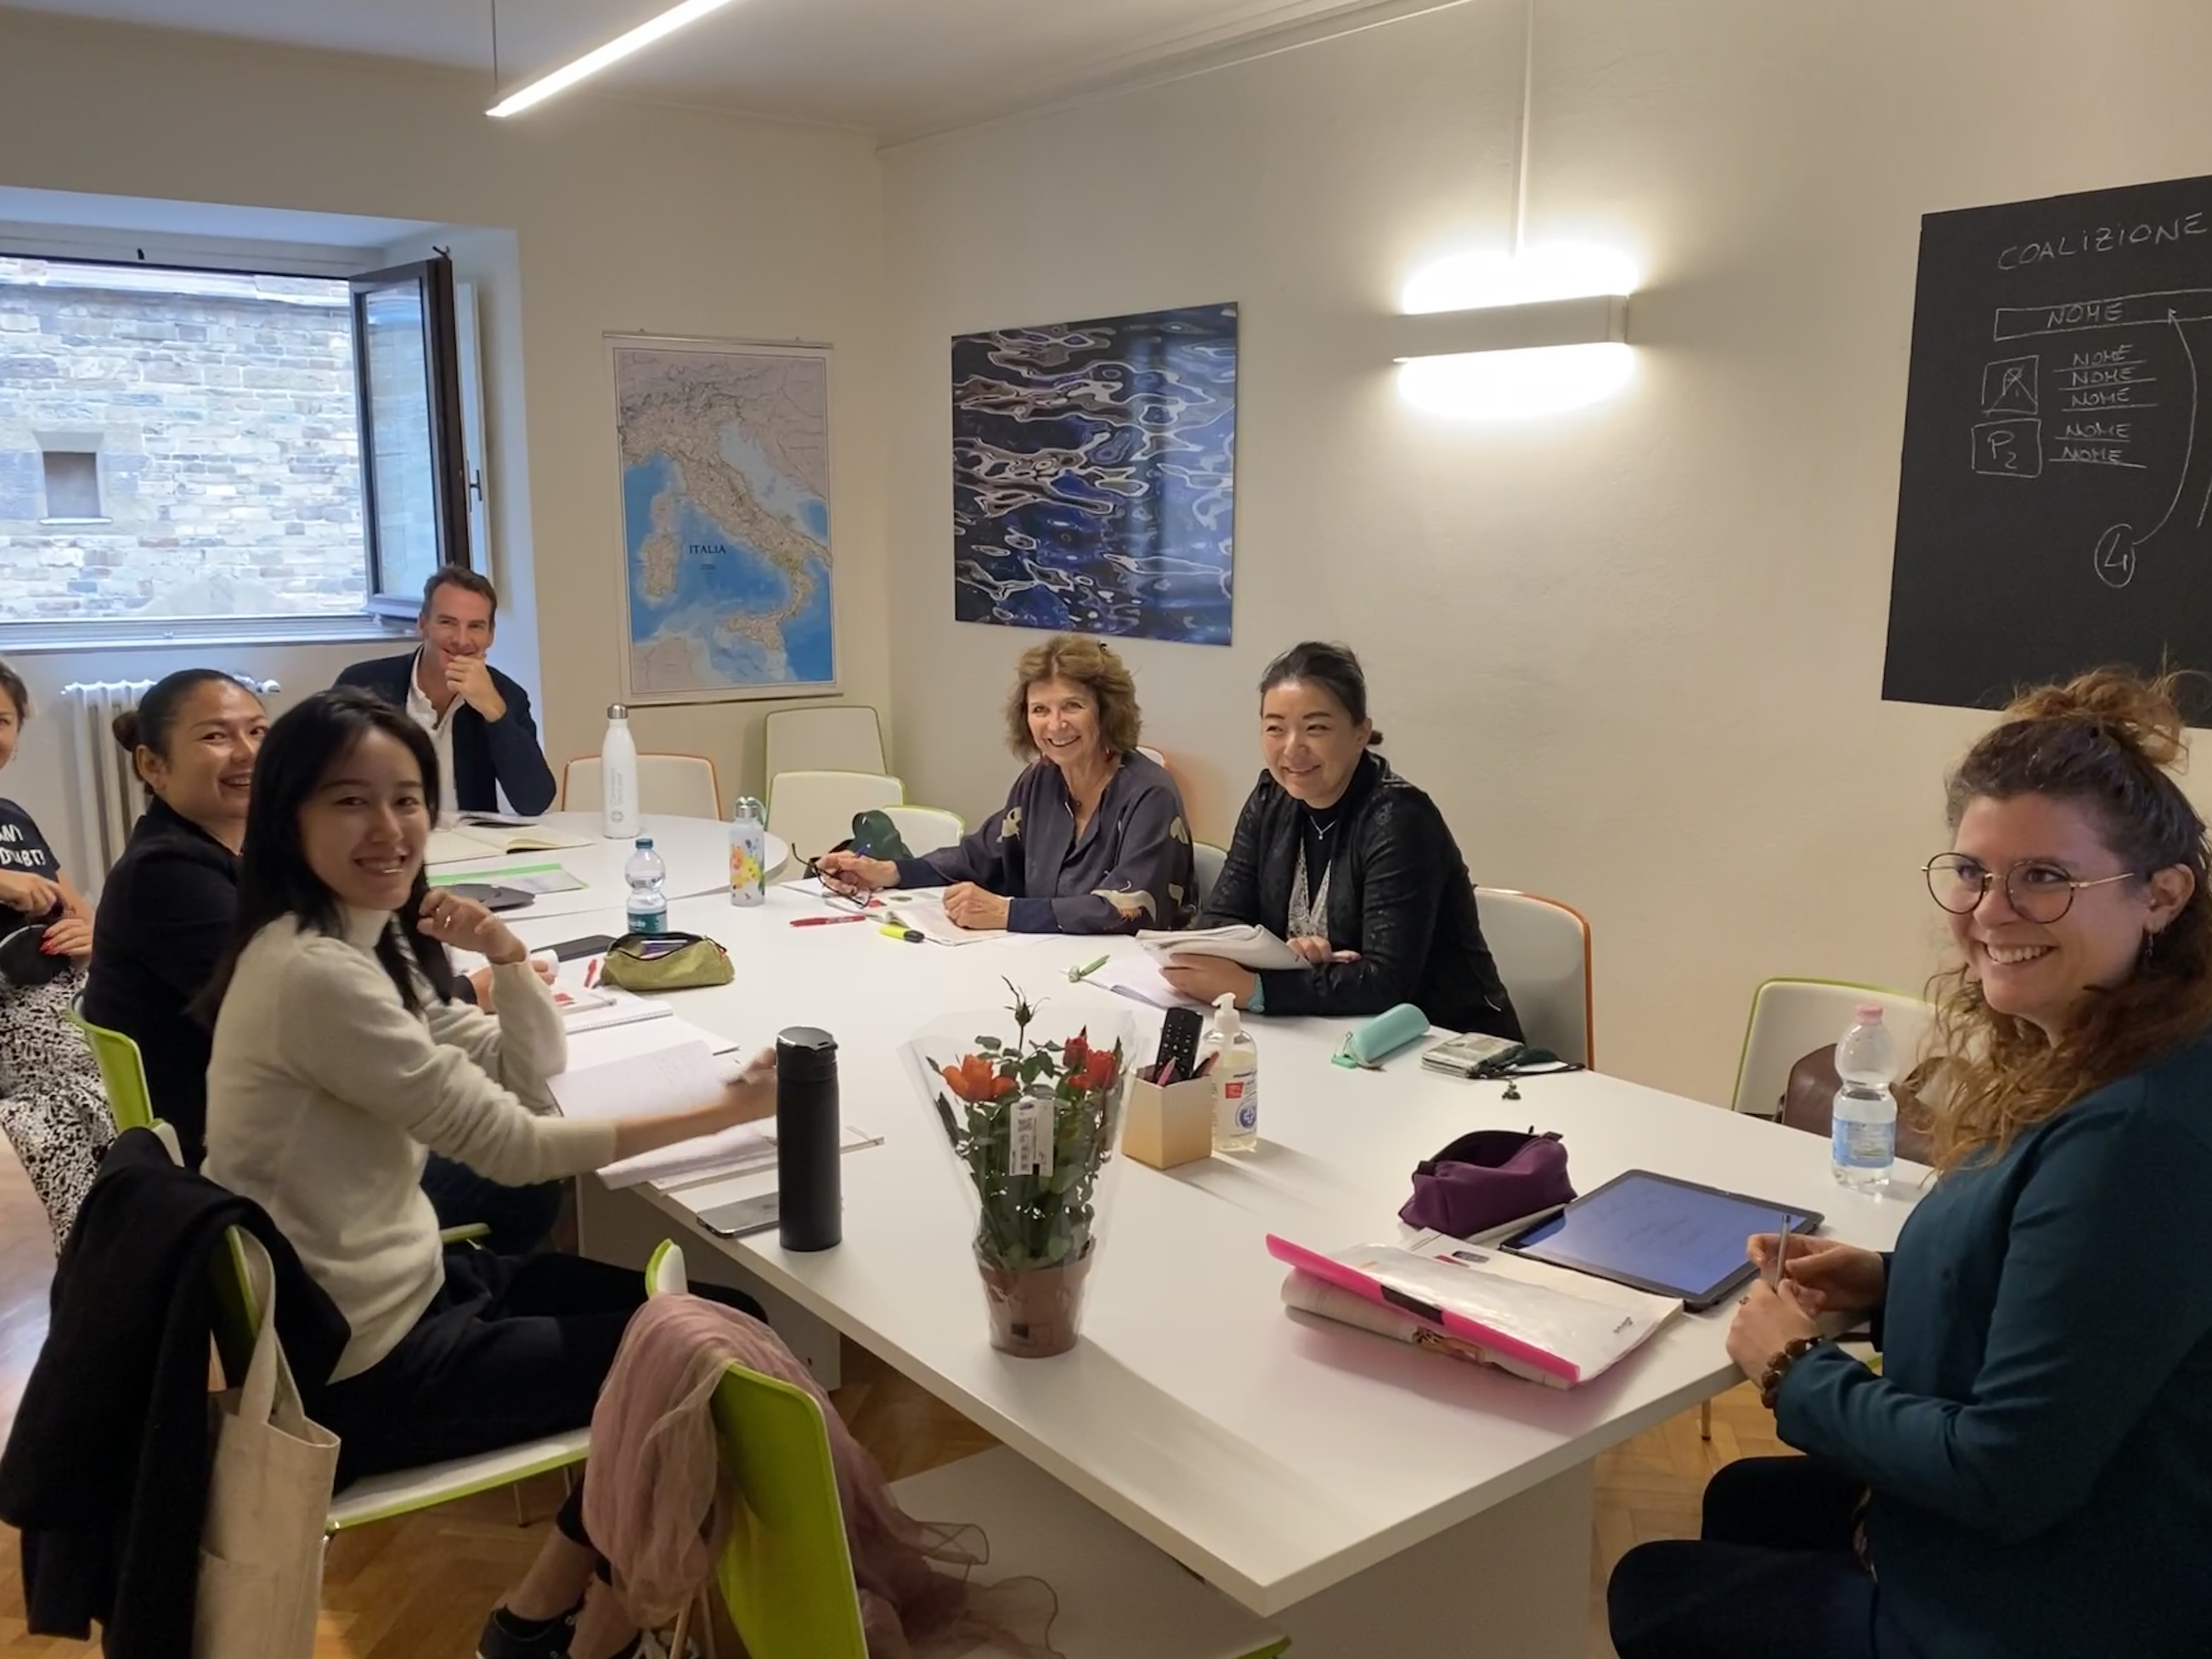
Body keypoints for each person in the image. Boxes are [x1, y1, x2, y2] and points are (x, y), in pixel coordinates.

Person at [1607, 668, 2212, 1659]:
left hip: (2058, 1602)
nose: (1991, 911)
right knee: (1748, 1496)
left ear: (2162, 895)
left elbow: (2005, 1477)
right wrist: (1891, 1284)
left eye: (2045, 877)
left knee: (1651, 1589)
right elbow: (2073, 1299)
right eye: (1973, 871)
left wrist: (1794, 1369)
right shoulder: (2105, 1056)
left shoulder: (2137, 1134)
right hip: (2067, 1522)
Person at [199, 688, 775, 1659]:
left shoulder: (353, 936)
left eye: (406, 799)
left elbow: (526, 1068)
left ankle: (538, 1615)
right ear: (289, 813)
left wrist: (506, 952)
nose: (390, 829)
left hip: (412, 1294)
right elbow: (511, 1144)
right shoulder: (315, 975)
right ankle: (596, 1635)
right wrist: (729, 1110)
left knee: (716, 1319)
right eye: (351, 801)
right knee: (715, 1348)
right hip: (372, 1365)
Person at [85, 669, 558, 1244]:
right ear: (153, 766)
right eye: (215, 737)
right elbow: (333, 1013)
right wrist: (466, 993)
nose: (247, 753)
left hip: (292, 1128)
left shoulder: (232, 857)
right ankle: (453, 1291)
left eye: (258, 732)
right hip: (263, 1181)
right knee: (530, 1169)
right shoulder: (166, 876)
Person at [1163, 642, 1520, 1037]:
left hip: (1445, 1042)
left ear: (1360, 733)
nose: (1293, 748)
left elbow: (1387, 983)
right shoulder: (1270, 800)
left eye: (1316, 728)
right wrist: (1282, 958)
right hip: (1329, 1034)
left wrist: (1259, 988)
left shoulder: (1399, 818)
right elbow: (1220, 923)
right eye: (1275, 728)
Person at [817, 633, 1195, 933]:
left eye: (1073, 706)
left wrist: (1007, 913)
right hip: (1041, 962)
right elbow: (980, 857)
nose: (1056, 725)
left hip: (1127, 977)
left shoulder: (1150, 795)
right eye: (1040, 710)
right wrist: (891, 872)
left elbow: (1128, 909)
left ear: (1107, 713)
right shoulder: (1039, 781)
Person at [334, 567, 556, 819]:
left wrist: (494, 711)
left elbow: (534, 802)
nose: (461, 640)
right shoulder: (363, 686)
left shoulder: (506, 696)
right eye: (448, 623)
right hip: (386, 835)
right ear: (423, 624)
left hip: (468, 841)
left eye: (476, 626)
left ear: (491, 635)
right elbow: (329, 786)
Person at [0, 663, 94, 968]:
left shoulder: (14, 817)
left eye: (2, 721)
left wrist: (84, 943)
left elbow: (85, 923)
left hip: (53, 990)